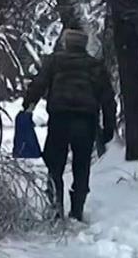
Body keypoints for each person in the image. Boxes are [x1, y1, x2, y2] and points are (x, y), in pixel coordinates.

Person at [23, 28, 117, 222]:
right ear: (83, 45)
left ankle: (55, 208)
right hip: (86, 121)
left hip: (60, 119)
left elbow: (39, 84)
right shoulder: (94, 66)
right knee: (82, 165)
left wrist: (27, 105)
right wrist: (109, 127)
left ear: (66, 43)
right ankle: (77, 210)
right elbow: (108, 99)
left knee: (54, 164)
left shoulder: (54, 62)